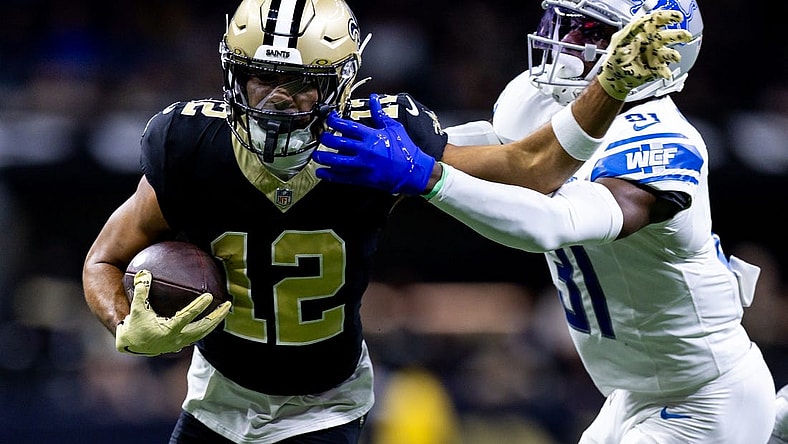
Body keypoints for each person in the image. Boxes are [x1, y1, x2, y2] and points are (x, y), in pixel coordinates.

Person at [81, 0, 687, 443]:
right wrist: (123, 325)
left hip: (323, 404)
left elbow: (532, 169)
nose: (277, 99)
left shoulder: (377, 139)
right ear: (234, 74)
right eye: (263, 77)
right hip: (217, 394)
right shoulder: (190, 143)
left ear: (340, 86)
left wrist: (609, 86)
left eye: (302, 82)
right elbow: (104, 258)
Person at [312, 0, 778, 443]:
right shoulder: (545, 98)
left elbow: (554, 222)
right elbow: (506, 156)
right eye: (567, 21)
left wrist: (427, 174)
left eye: (591, 30)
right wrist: (414, 143)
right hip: (633, 394)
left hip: (704, 399)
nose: (568, 39)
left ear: (658, 56)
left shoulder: (664, 144)